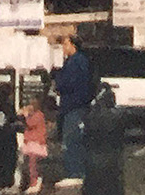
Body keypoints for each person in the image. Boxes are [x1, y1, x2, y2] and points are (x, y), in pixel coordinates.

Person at [52, 33, 93, 187]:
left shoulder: (77, 62)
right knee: (72, 138)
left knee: (72, 139)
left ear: (73, 45)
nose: (63, 47)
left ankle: (74, 173)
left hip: (74, 105)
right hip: (73, 105)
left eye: (66, 44)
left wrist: (58, 80)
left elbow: (68, 83)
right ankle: (76, 172)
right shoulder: (75, 61)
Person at [81, 85, 125, 195]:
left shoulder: (90, 116)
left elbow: (85, 136)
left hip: (93, 158)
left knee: (93, 186)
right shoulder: (118, 116)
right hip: (112, 158)